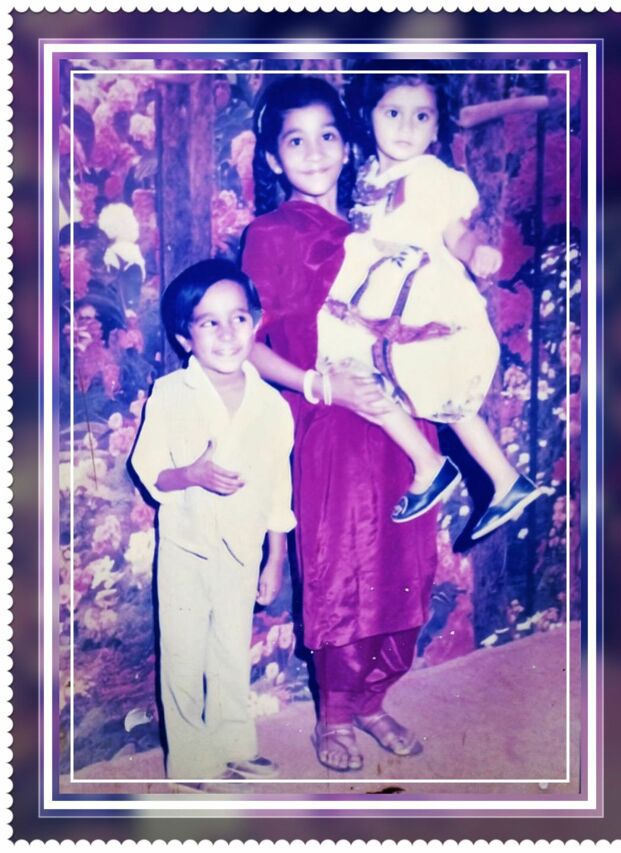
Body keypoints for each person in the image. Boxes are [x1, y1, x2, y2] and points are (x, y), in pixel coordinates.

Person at [242, 75, 438, 773]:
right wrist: (317, 384)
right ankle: (337, 712)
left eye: (327, 135)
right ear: (274, 158)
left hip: (402, 416)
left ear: (349, 144)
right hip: (330, 424)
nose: (316, 151)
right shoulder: (270, 234)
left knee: (408, 563)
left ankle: (376, 698)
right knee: (344, 567)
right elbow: (249, 343)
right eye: (296, 141)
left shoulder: (381, 219)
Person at [316, 73, 551, 539]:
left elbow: (456, 232)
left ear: (436, 127)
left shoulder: (432, 176)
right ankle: (484, 476)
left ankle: (462, 472)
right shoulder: (369, 174)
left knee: (436, 385)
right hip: (377, 296)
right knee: (358, 370)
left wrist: (475, 251)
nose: (406, 127)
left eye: (421, 116)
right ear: (368, 115)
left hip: (418, 296)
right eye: (393, 113)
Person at [130, 258, 296, 781]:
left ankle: (234, 744)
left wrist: (276, 558)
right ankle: (190, 760)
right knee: (183, 653)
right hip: (187, 547)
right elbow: (149, 472)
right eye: (209, 322)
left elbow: (279, 488)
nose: (227, 334)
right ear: (186, 338)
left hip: (243, 550)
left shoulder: (272, 406)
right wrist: (192, 474)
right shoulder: (171, 395)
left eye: (238, 318)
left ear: (256, 322)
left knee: (230, 649)